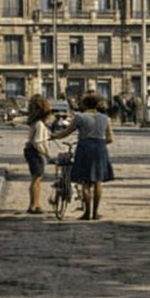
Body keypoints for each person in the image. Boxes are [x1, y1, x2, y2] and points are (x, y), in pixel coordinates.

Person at [51, 91, 115, 220]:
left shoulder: (79, 117)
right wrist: (99, 142)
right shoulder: (105, 118)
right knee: (98, 181)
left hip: (84, 148)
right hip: (99, 148)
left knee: (85, 182)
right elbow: (110, 138)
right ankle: (95, 213)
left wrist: (53, 136)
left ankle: (87, 213)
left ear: (84, 104)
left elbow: (66, 132)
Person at [23, 95, 52, 214]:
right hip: (35, 151)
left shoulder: (35, 122)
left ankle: (36, 203)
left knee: (37, 178)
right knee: (36, 178)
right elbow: (38, 141)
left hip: (30, 150)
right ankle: (33, 205)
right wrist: (46, 153)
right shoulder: (39, 124)